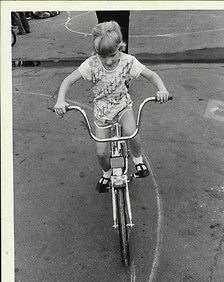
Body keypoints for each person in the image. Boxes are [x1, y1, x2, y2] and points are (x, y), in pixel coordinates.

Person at [54, 21, 170, 193]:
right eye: (103, 56)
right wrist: (60, 100)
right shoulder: (91, 64)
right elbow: (68, 80)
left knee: (132, 133)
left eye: (113, 54)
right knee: (101, 153)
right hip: (102, 112)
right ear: (96, 53)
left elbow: (151, 75)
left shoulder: (128, 61)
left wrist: (162, 89)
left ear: (120, 47)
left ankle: (138, 160)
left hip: (122, 106)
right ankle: (107, 173)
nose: (108, 61)